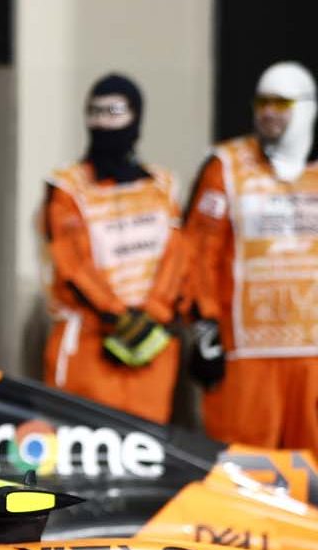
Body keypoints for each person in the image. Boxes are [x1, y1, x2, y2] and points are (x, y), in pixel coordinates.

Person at [180, 61, 318, 448]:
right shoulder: (225, 167)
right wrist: (204, 327)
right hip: (245, 355)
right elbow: (197, 251)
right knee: (246, 471)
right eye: (262, 102)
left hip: (313, 355)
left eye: (281, 102)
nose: (268, 112)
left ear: (307, 107)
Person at [39, 74, 187, 421]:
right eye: (96, 114)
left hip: (151, 342)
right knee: (79, 450)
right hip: (89, 344)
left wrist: (154, 313)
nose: (104, 125)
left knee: (147, 454)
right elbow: (70, 262)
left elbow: (178, 256)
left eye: (114, 114)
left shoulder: (163, 185)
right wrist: (116, 316)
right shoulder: (67, 187)